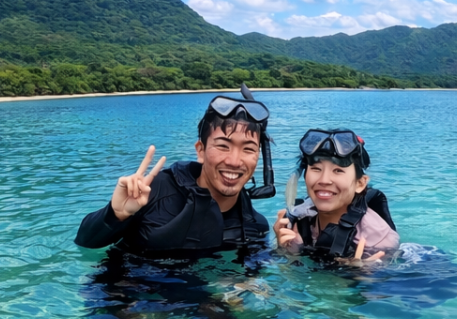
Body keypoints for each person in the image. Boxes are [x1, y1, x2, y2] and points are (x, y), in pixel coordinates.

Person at [75, 86, 275, 256]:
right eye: (223, 146)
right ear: (201, 150)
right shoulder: (153, 192)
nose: (234, 161)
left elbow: (249, 277)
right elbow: (85, 242)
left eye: (248, 149)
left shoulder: (254, 226)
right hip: (124, 293)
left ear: (258, 157)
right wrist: (115, 214)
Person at [274, 129, 399, 261]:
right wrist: (284, 250)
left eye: (338, 170)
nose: (324, 180)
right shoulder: (298, 218)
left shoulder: (379, 240)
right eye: (316, 169)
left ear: (360, 183)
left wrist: (361, 275)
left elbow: (396, 278)